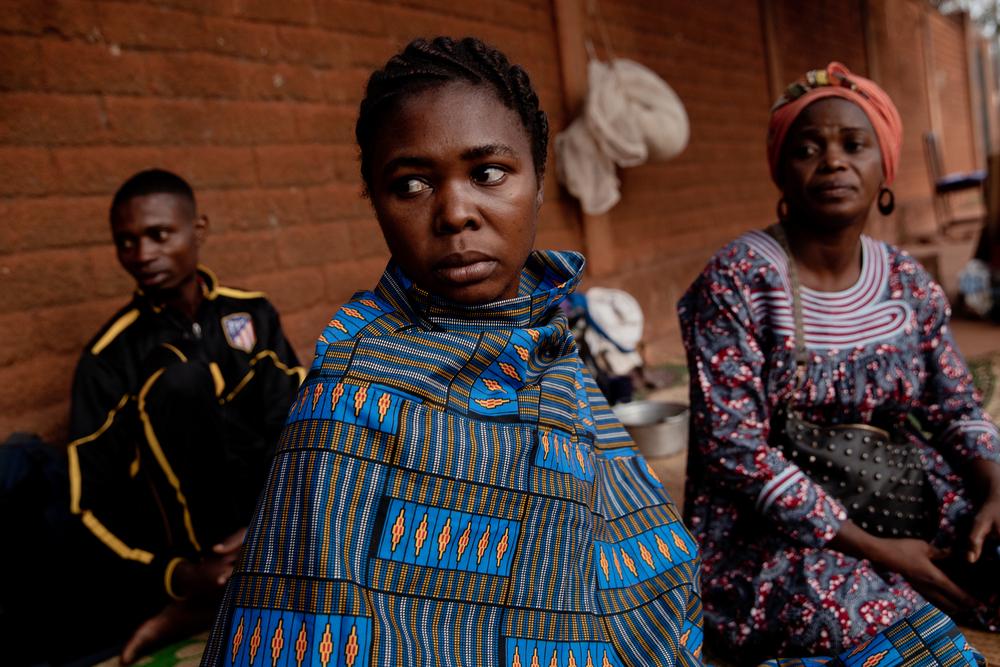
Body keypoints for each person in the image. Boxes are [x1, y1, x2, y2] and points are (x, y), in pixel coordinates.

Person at [203, 41, 983, 667]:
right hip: (782, 533)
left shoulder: (547, 350)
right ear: (374, 198)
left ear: (539, 184)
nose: (455, 212)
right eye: (410, 184)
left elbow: (635, 559)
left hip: (884, 496)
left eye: (488, 172)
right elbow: (305, 614)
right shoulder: (353, 387)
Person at [679, 62, 1000, 660]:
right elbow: (735, 452)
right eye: (807, 148)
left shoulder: (908, 282)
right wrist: (881, 551)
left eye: (854, 144)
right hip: (768, 534)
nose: (832, 161)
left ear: (885, 169)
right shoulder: (738, 280)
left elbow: (957, 407)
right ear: (780, 171)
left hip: (896, 498)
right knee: (867, 618)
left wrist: (995, 489)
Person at [66, 169, 304, 663]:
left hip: (276, 518)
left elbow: (298, 422)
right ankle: (207, 596)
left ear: (197, 230)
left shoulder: (252, 314)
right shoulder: (109, 358)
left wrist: (270, 516)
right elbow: (88, 504)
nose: (142, 255)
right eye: (126, 242)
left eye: (158, 235)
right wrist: (178, 574)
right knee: (180, 380)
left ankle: (248, 579)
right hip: (196, 553)